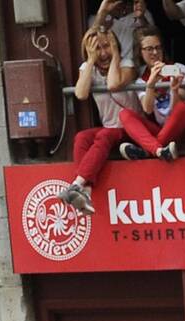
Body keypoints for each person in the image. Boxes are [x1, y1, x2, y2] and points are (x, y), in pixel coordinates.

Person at [57, 27, 141, 215]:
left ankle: (77, 184)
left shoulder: (127, 64)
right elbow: (80, 93)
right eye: (97, 48)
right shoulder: (88, 68)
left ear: (115, 45)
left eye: (107, 46)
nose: (103, 53)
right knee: (81, 137)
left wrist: (116, 54)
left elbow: (113, 84)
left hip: (131, 129)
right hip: (110, 129)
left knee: (104, 134)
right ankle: (85, 191)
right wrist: (91, 59)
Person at [117, 27, 185, 161]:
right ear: (140, 52)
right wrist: (151, 84)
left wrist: (174, 90)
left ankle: (147, 152)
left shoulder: (179, 68)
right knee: (124, 114)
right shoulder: (141, 79)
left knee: (182, 107)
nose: (155, 52)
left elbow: (177, 110)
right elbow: (147, 109)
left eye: (158, 48)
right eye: (149, 49)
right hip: (162, 132)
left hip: (184, 130)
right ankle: (159, 150)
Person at [92, 0, 153, 77]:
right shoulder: (95, 18)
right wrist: (103, 12)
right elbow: (89, 43)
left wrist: (141, 18)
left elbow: (152, 40)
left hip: (135, 70)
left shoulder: (144, 14)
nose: (118, 4)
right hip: (106, 70)